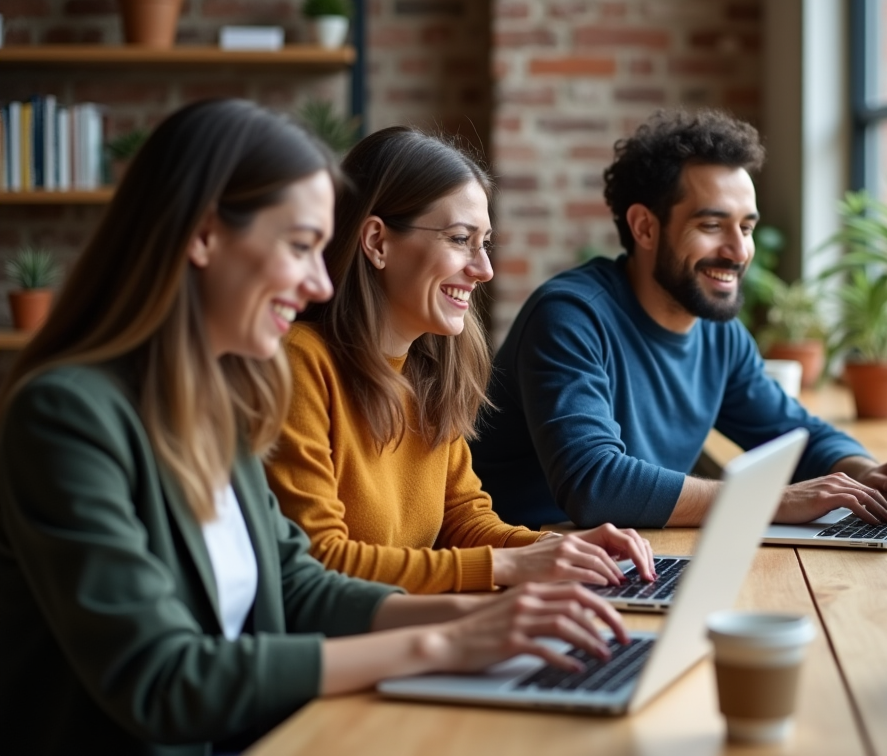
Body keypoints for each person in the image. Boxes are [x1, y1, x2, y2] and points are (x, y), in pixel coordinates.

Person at [0, 100, 625, 756]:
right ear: (205, 236)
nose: (319, 282)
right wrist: (444, 640)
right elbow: (163, 679)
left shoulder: (218, 398)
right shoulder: (67, 416)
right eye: (301, 247)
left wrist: (495, 616)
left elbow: (297, 585)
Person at [471, 108, 887, 530]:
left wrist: (865, 473)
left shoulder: (719, 332)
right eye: (712, 226)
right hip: (528, 563)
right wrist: (773, 500)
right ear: (644, 227)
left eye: (746, 227)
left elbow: (793, 432)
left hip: (629, 557)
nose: (739, 250)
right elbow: (595, 484)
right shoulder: (570, 317)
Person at [263, 126, 655, 596]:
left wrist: (558, 550)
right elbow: (320, 560)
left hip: (414, 631)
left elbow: (464, 520)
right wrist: (511, 567)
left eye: (485, 242)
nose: (483, 268)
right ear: (377, 242)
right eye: (460, 239)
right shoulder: (300, 364)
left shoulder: (430, 368)